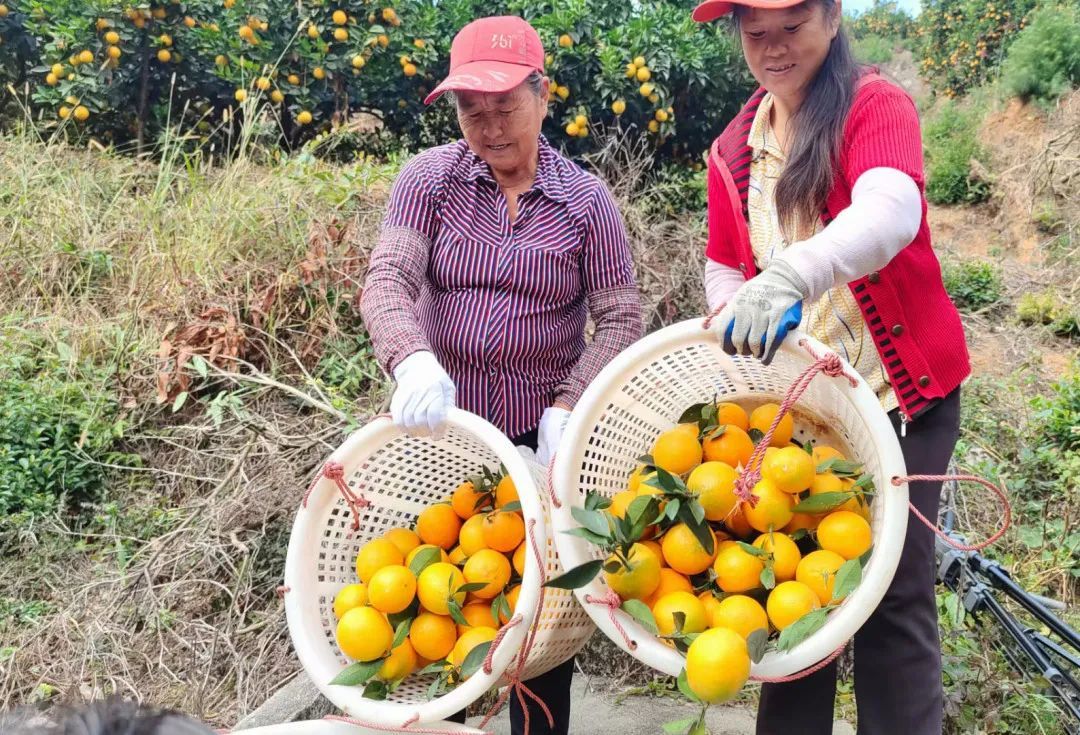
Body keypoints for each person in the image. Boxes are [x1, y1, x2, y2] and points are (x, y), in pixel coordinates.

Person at [358, 15, 643, 734]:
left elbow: (620, 317)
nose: (487, 127)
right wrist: (411, 357)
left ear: (543, 95)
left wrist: (568, 405)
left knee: (536, 623)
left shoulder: (585, 203)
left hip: (532, 438)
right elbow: (387, 278)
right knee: (431, 604)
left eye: (504, 106)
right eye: (470, 110)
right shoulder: (430, 180)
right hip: (440, 435)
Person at [691, 0, 970, 732]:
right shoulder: (735, 146)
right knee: (798, 589)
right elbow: (723, 263)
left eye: (792, 28)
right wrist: (733, 315)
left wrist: (794, 274)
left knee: (895, 594)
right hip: (806, 409)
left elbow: (890, 209)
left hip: (900, 393)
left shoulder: (873, 105)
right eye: (756, 34)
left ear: (833, 15)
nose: (774, 48)